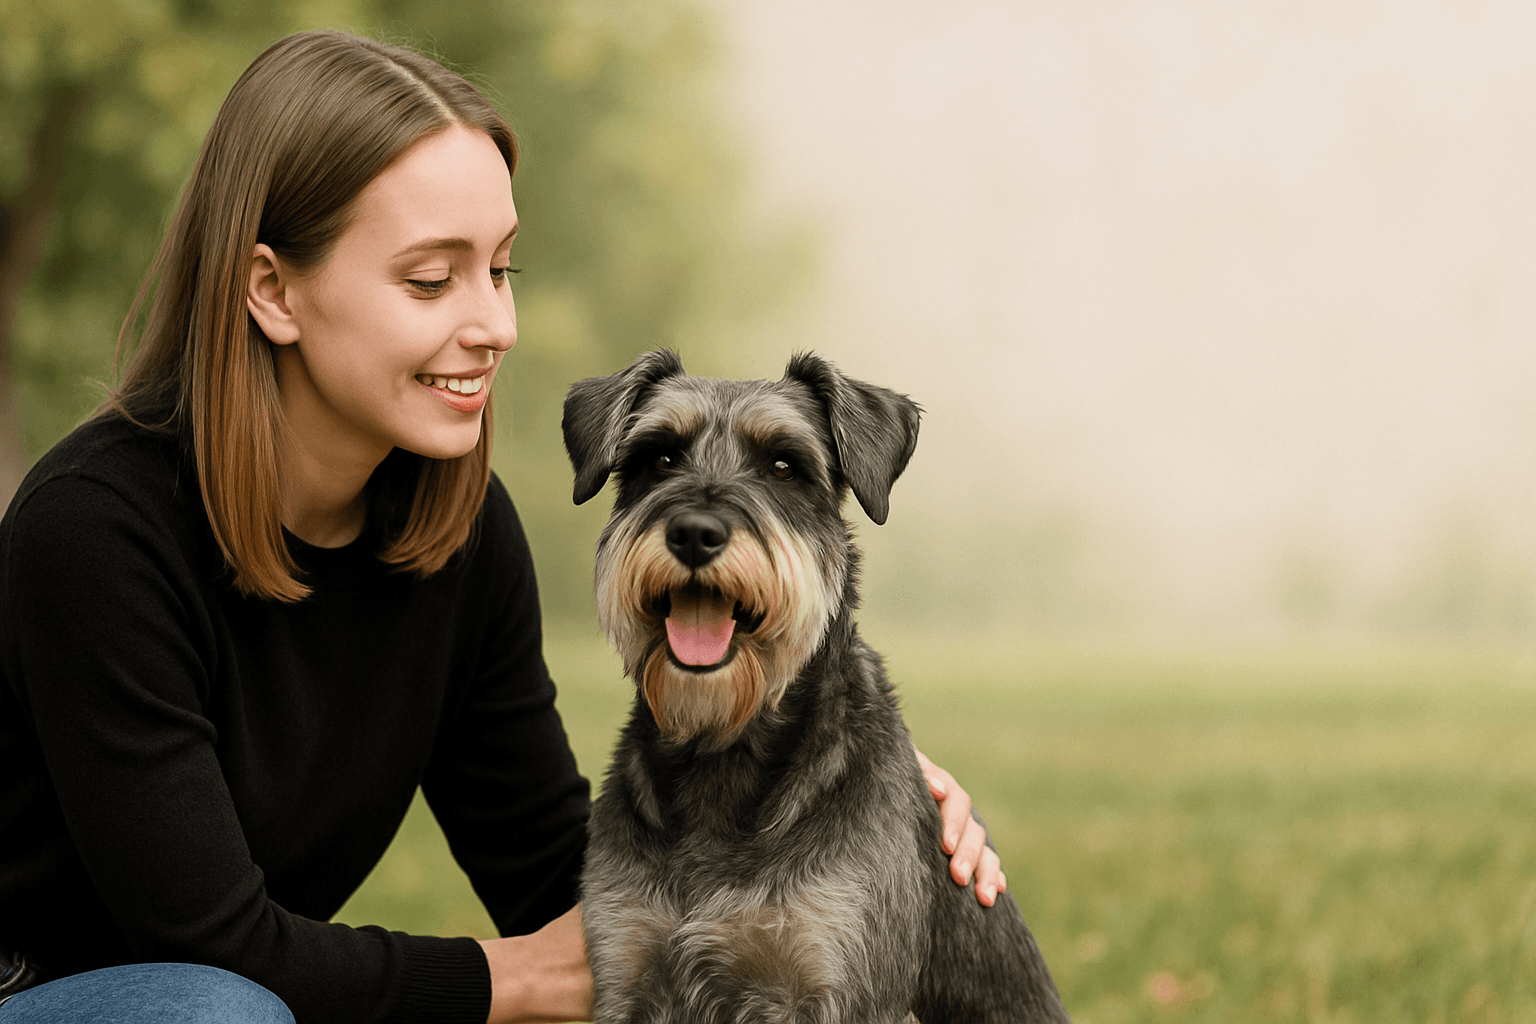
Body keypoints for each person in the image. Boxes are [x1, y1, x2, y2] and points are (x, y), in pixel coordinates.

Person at [0, 29, 1006, 1024]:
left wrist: (856, 791)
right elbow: (214, 944)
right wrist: (513, 981)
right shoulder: (94, 534)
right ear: (273, 290)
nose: (493, 325)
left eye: (501, 270)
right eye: (432, 278)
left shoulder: (455, 529)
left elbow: (551, 875)